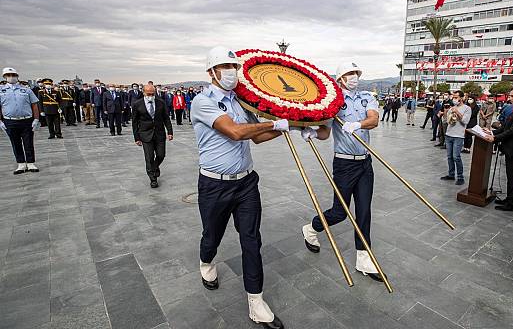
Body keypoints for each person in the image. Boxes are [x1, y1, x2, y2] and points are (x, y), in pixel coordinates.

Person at [191, 47, 286, 329]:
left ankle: (256, 301)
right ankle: (206, 262)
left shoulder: (242, 103)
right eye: (224, 66)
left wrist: (289, 127)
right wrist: (274, 123)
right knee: (212, 235)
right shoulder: (202, 101)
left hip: (246, 183)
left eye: (233, 65)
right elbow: (234, 131)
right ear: (211, 72)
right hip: (213, 185)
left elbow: (258, 137)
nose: (231, 71)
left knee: (251, 240)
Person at [301, 62, 384, 284]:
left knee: (364, 212)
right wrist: (312, 133)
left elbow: (374, 120)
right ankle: (311, 228)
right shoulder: (334, 103)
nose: (354, 77)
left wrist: (357, 124)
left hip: (365, 162)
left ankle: (364, 259)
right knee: (340, 212)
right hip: (344, 165)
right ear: (340, 79)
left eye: (355, 73)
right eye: (349, 74)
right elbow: (326, 132)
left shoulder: (366, 96)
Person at [484, 87, 513, 212]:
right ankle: (510, 198)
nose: (509, 98)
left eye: (512, 96)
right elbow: (506, 126)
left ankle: (512, 203)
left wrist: (494, 138)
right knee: (510, 176)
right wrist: (492, 132)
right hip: (509, 147)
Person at [132, 84, 174, 188]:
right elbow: (134, 122)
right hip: (145, 134)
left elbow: (166, 118)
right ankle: (153, 179)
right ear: (144, 93)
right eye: (148, 94)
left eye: (152, 94)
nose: (151, 96)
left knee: (161, 155)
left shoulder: (160, 102)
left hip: (159, 133)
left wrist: (170, 132)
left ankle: (155, 167)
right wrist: (136, 137)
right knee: (149, 158)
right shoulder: (137, 104)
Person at [0, 67, 41, 174]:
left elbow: (34, 105)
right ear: (4, 77)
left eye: (13, 75)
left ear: (17, 76)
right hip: (10, 121)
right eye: (8, 75)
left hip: (26, 120)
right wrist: (0, 122)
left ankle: (30, 162)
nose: (11, 77)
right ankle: (21, 163)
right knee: (15, 142)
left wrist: (36, 119)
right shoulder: (1, 90)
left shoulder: (26, 90)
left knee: (28, 142)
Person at [440, 90, 471, 185]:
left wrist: (457, 112)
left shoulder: (467, 108)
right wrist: (444, 112)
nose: (454, 99)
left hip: (458, 136)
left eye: (456, 97)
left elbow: (465, 121)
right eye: (453, 97)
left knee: (456, 156)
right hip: (449, 134)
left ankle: (460, 177)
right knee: (449, 157)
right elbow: (447, 120)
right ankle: (451, 174)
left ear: (461, 98)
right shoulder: (452, 108)